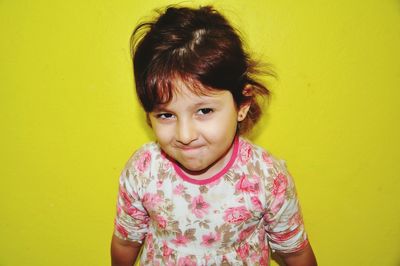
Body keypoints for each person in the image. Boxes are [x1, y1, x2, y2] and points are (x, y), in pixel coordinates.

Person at [111, 5, 317, 266]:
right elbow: (125, 241)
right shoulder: (143, 171)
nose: (185, 135)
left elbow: (295, 252)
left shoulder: (267, 178)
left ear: (242, 105)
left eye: (204, 110)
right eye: (166, 115)